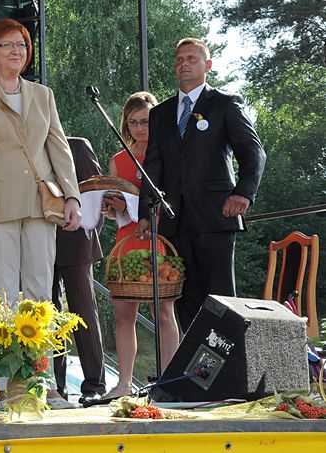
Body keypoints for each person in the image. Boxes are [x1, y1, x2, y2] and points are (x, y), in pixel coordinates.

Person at [136, 38, 266, 331]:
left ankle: (227, 373)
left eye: (191, 58)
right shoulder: (161, 113)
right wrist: (146, 212)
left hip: (216, 216)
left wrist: (243, 193)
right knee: (184, 299)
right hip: (174, 220)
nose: (183, 63)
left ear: (207, 65)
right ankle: (194, 372)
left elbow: (253, 151)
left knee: (221, 300)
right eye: (179, 59)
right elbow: (153, 165)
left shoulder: (224, 104)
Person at [0, 18, 82, 305]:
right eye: (7, 44)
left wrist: (72, 195)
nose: (17, 51)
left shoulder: (43, 94)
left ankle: (41, 353)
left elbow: (59, 148)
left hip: (41, 205)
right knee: (2, 296)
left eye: (22, 44)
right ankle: (7, 352)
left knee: (41, 293)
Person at [102, 93, 179, 399]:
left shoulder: (170, 154)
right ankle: (123, 384)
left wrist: (131, 205)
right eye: (132, 122)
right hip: (127, 241)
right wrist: (112, 208)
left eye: (145, 121)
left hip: (160, 239)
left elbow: (173, 202)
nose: (138, 129)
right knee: (124, 313)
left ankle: (169, 383)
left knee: (163, 310)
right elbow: (116, 208)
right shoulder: (119, 159)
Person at [52, 137, 106, 405]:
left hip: (77, 244)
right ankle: (55, 386)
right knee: (47, 319)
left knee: (84, 316)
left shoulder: (78, 146)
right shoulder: (28, 149)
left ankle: (94, 385)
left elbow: (97, 196)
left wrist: (89, 234)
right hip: (39, 244)